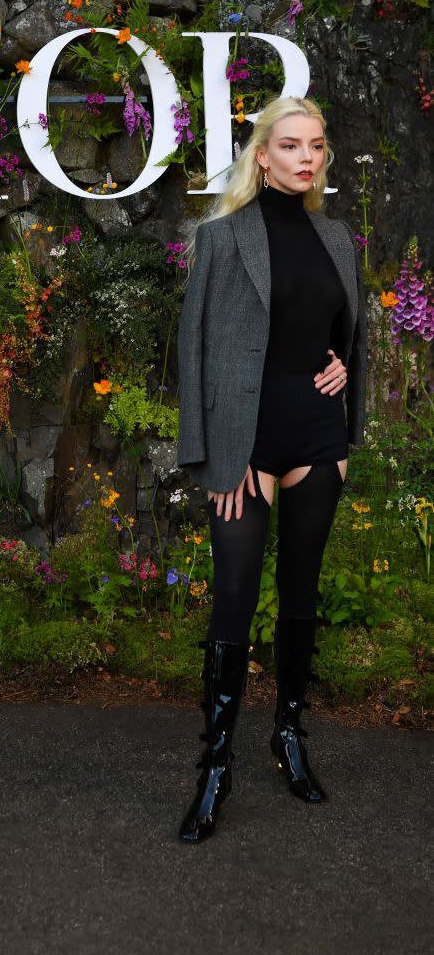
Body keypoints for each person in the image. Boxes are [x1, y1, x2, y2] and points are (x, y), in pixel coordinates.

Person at [176, 95, 368, 843]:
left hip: (315, 441)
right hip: (243, 449)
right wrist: (213, 459)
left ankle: (289, 735)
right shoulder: (223, 240)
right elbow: (192, 354)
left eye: (315, 145)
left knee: (300, 593)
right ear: (262, 156)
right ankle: (214, 765)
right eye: (290, 145)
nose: (306, 157)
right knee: (232, 597)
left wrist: (343, 387)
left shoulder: (336, 238)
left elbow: (348, 340)